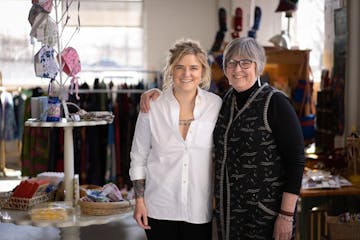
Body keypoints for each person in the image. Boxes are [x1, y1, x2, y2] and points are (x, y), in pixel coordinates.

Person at [140, 37, 305, 240]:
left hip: (266, 215)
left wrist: (286, 215)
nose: (238, 69)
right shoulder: (223, 102)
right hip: (230, 216)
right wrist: (158, 94)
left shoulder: (275, 102)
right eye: (231, 63)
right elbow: (186, 95)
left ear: (259, 66)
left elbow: (296, 161)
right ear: (225, 69)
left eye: (245, 62)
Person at [129, 39, 222, 240]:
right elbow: (138, 155)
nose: (186, 74)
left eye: (193, 68)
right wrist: (139, 201)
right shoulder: (152, 106)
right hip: (159, 206)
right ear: (171, 70)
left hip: (198, 208)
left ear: (203, 72)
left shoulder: (215, 105)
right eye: (180, 67)